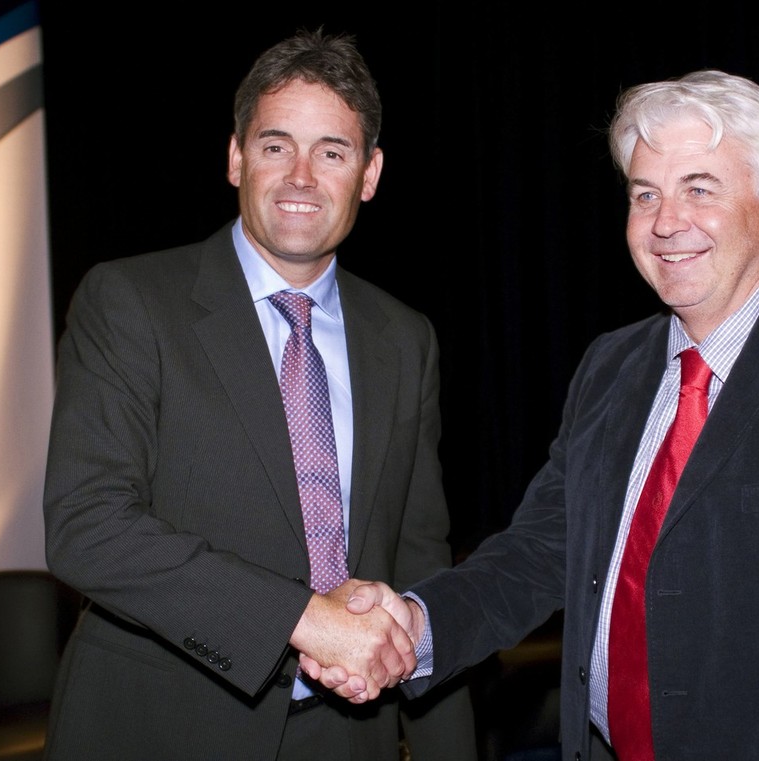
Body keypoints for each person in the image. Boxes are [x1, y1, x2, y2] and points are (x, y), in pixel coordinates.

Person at [308, 69, 759, 759]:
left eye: (700, 188)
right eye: (646, 194)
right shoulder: (610, 366)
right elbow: (541, 554)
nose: (667, 222)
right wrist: (413, 625)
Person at [41, 28, 476, 761]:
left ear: (369, 174)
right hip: (162, 728)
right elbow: (87, 526)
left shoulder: (406, 338)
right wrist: (302, 618)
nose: (302, 175)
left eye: (332, 152)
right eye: (277, 145)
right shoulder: (131, 302)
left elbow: (420, 561)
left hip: (349, 737)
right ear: (236, 157)